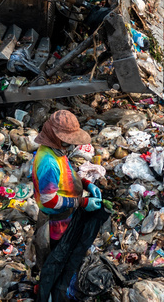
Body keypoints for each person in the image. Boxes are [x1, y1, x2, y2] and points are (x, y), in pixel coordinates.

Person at [30, 110, 101, 268]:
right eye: (66, 142)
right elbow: (49, 201)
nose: (70, 146)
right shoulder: (48, 163)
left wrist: (87, 184)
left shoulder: (57, 152)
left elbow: (67, 176)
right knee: (56, 262)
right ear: (54, 138)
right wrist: (82, 202)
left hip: (67, 217)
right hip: (56, 223)